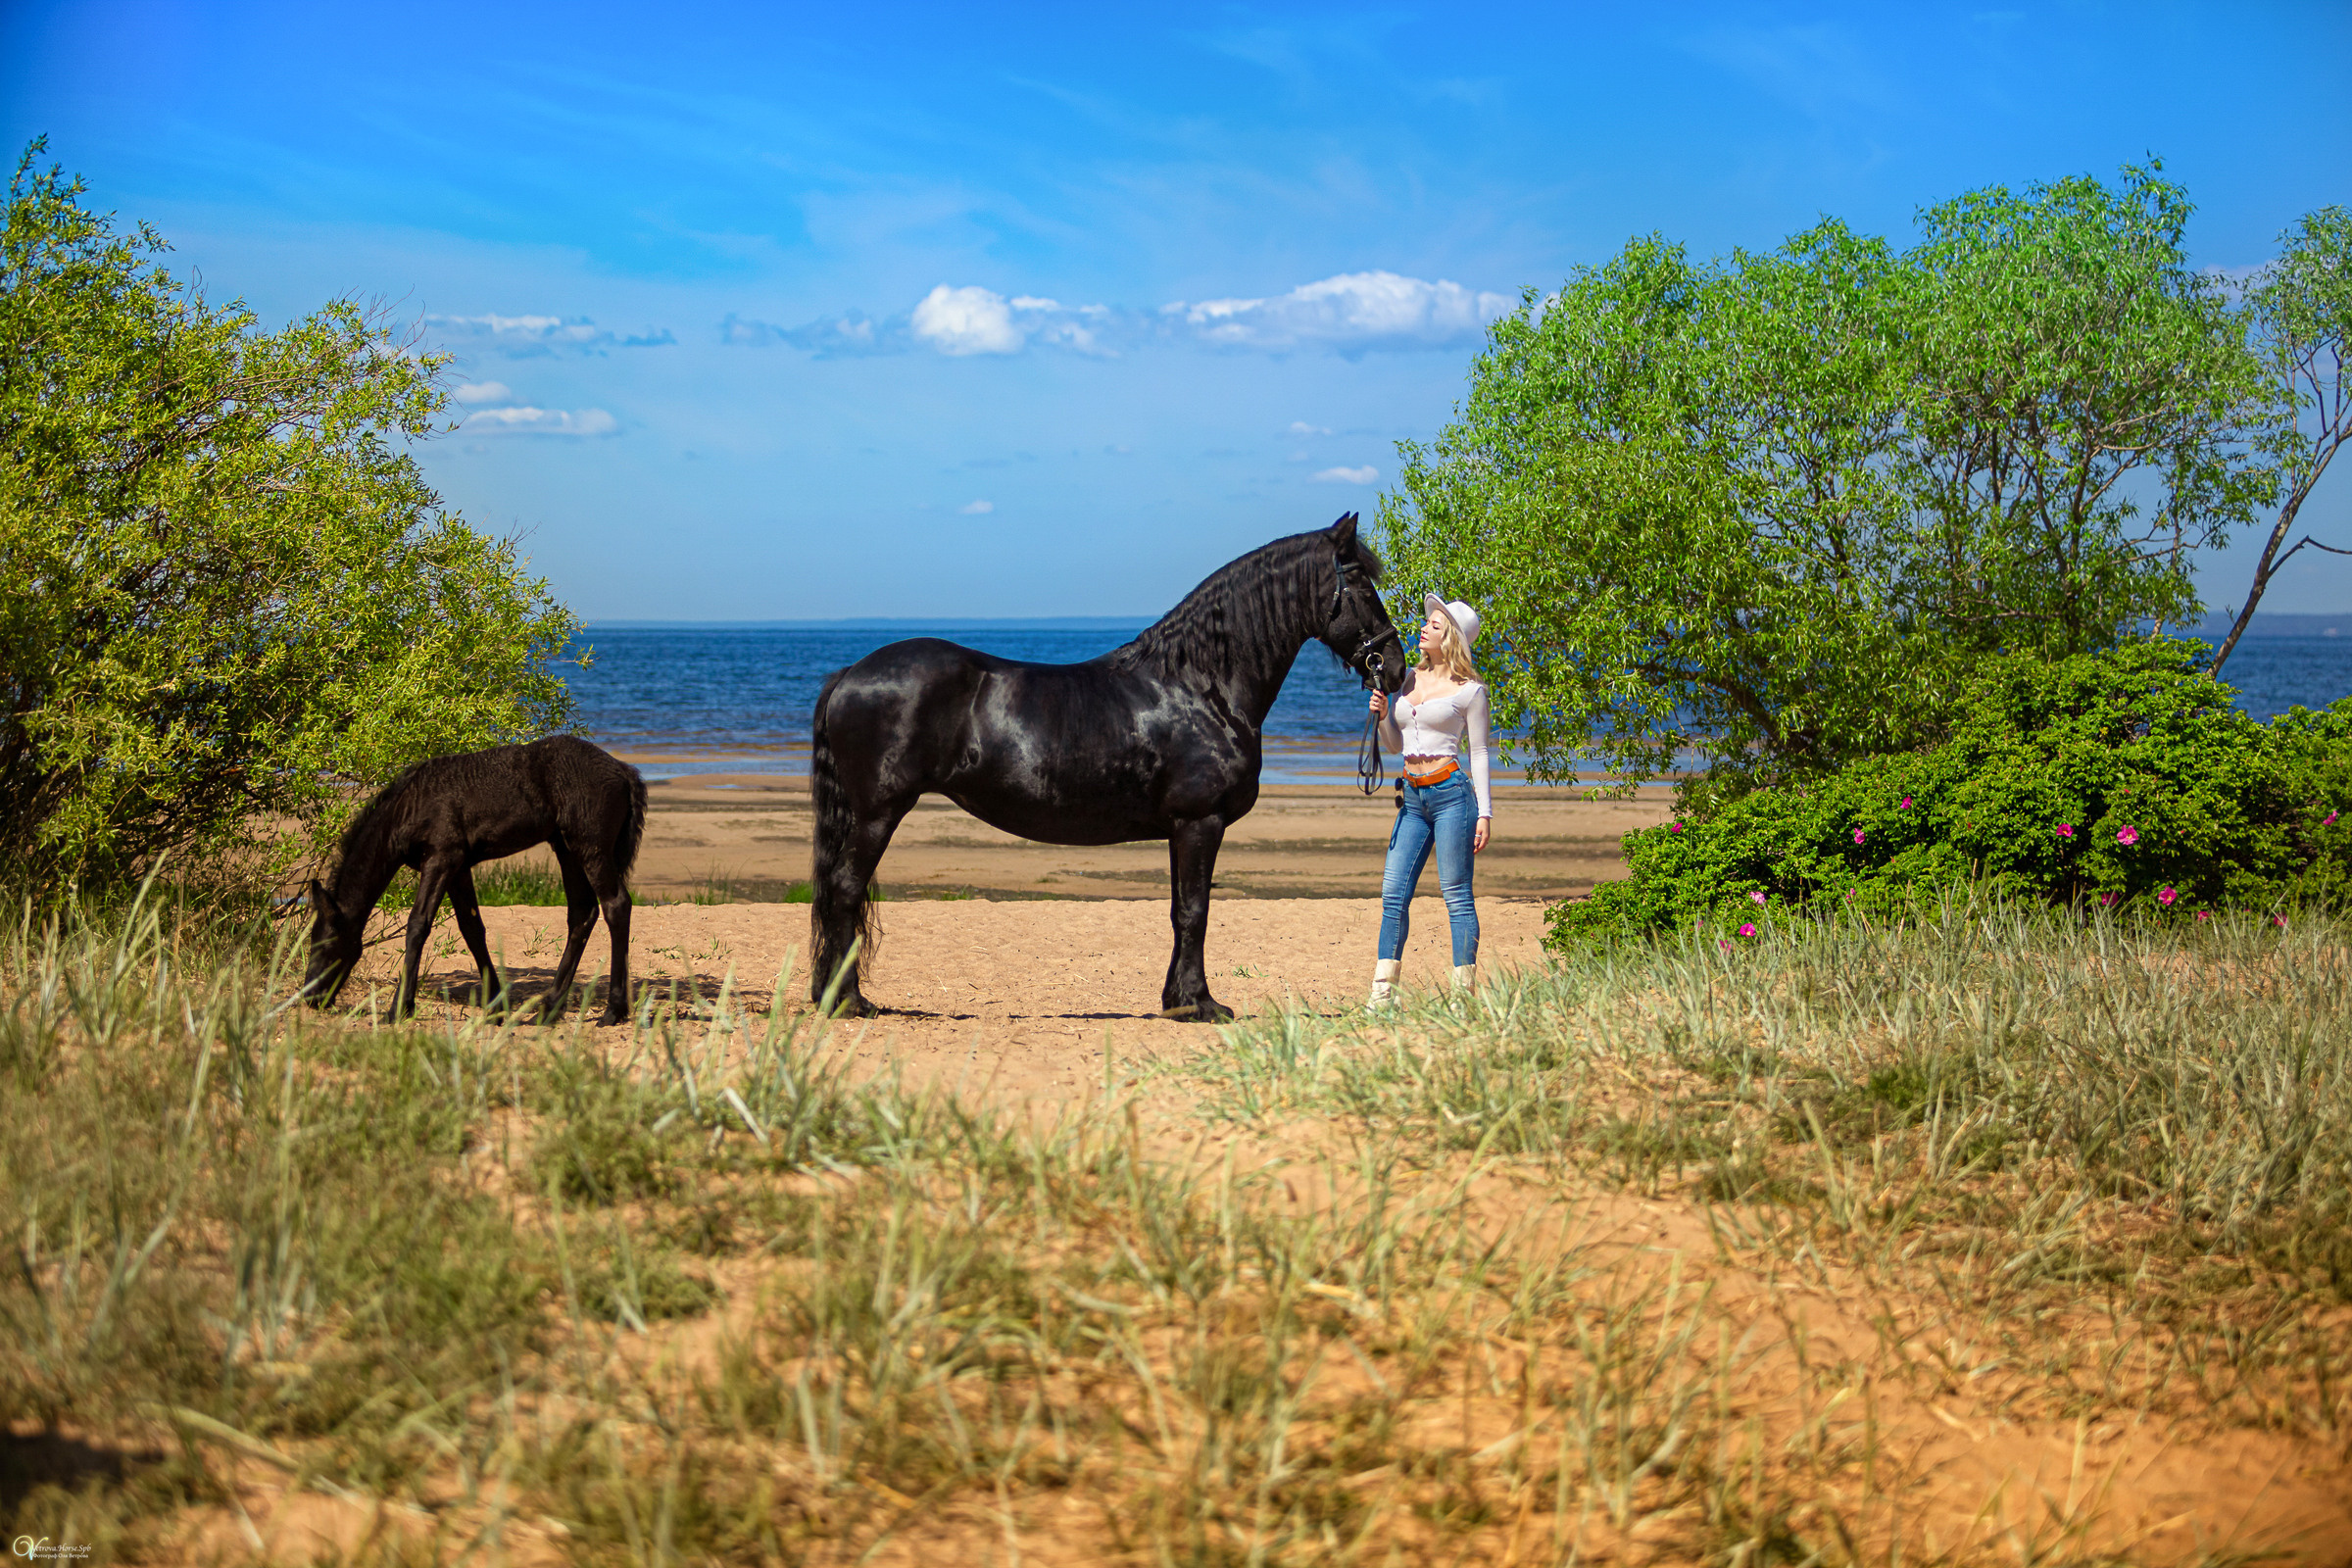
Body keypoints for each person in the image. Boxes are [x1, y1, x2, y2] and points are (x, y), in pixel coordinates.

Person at [1365, 596, 1491, 1005]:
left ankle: (1462, 997)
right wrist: (1384, 714)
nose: (1424, 628)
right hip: (1412, 797)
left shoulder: (1470, 691)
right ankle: (1383, 995)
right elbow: (1396, 744)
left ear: (1450, 636)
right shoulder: (1407, 681)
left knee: (1455, 895)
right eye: (1427, 622)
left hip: (1453, 794)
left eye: (1435, 625)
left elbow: (1480, 753)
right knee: (1392, 893)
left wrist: (1485, 812)